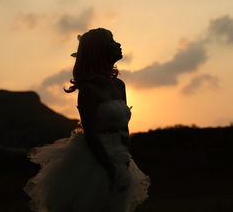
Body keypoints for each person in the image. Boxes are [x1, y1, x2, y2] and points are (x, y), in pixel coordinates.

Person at [23, 28, 150, 212]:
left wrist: (124, 159)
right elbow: (91, 134)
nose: (118, 44)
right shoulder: (88, 91)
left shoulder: (119, 85)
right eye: (112, 41)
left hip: (121, 157)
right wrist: (110, 169)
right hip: (95, 161)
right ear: (99, 50)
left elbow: (124, 127)